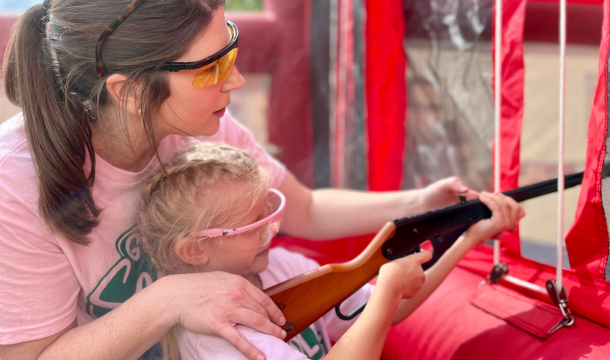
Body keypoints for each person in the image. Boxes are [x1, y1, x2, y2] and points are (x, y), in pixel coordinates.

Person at [0, 1, 524, 359]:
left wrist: (418, 201)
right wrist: (167, 299)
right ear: (129, 91)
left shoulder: (199, 123)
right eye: (210, 69)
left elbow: (306, 210)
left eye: (231, 46)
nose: (237, 79)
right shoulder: (14, 184)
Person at [137, 142, 521, 360]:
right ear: (194, 251)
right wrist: (386, 290)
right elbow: (388, 301)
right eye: (254, 226)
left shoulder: (279, 266)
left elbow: (394, 308)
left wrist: (467, 237)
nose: (272, 229)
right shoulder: (219, 342)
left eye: (270, 213)